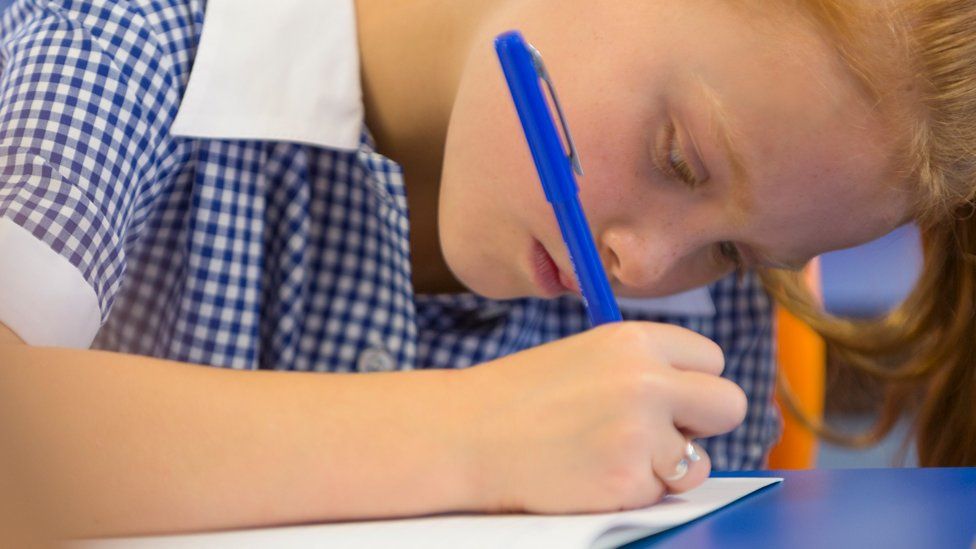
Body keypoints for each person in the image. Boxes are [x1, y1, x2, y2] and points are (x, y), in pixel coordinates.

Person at [0, 0, 970, 538]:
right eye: (678, 156)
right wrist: (477, 434)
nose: (649, 262)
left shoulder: (704, 307)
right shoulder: (124, 46)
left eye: (734, 252)